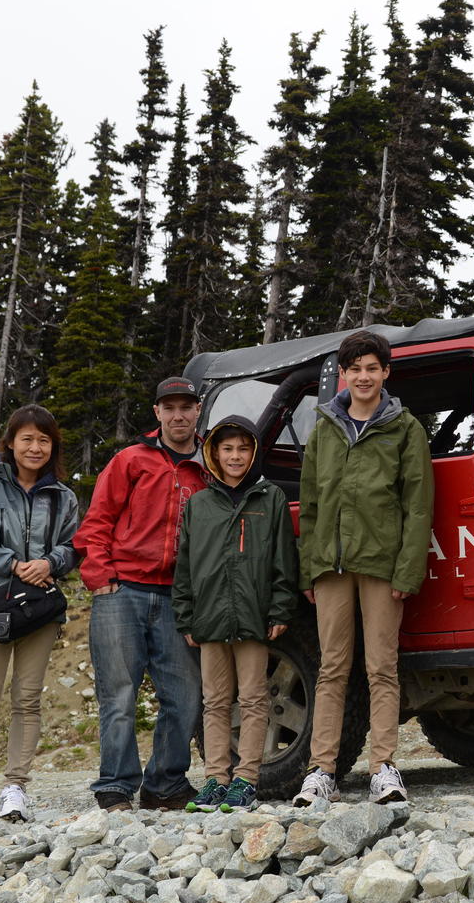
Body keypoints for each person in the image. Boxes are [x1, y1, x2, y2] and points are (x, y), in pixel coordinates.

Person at [295, 329, 433, 806]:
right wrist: (308, 569)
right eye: (355, 368)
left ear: (386, 373)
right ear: (344, 374)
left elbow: (418, 506)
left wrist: (407, 571)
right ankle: (321, 772)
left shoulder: (405, 428)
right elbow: (310, 504)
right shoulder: (325, 427)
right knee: (332, 668)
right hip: (330, 566)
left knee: (382, 667)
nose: (364, 376)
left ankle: (383, 769)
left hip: (381, 563)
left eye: (372, 368)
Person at [74, 377, 209, 811]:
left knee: (185, 694)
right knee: (119, 694)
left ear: (198, 410)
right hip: (123, 590)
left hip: (177, 596)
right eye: (169, 408)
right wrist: (100, 575)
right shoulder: (131, 459)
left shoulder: (209, 465)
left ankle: (165, 784)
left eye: (186, 407)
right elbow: (97, 520)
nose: (178, 415)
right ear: (157, 413)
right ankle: (115, 784)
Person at [0, 405, 80, 829]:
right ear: (10, 442)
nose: (35, 447)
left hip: (40, 609)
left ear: (52, 446)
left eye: (44, 440)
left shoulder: (63, 495)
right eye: (27, 438)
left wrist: (52, 562)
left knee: (28, 700)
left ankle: (15, 788)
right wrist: (13, 563)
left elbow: (76, 544)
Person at [173, 416, 299, 813]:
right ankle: (214, 779)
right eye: (227, 449)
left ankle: (245, 779)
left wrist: (280, 607)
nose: (235, 456)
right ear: (213, 453)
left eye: (243, 449)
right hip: (209, 618)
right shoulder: (199, 504)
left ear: (254, 453)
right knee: (215, 701)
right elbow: (185, 565)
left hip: (254, 615)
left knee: (254, 698)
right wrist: (186, 615)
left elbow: (284, 559)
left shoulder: (270, 498)